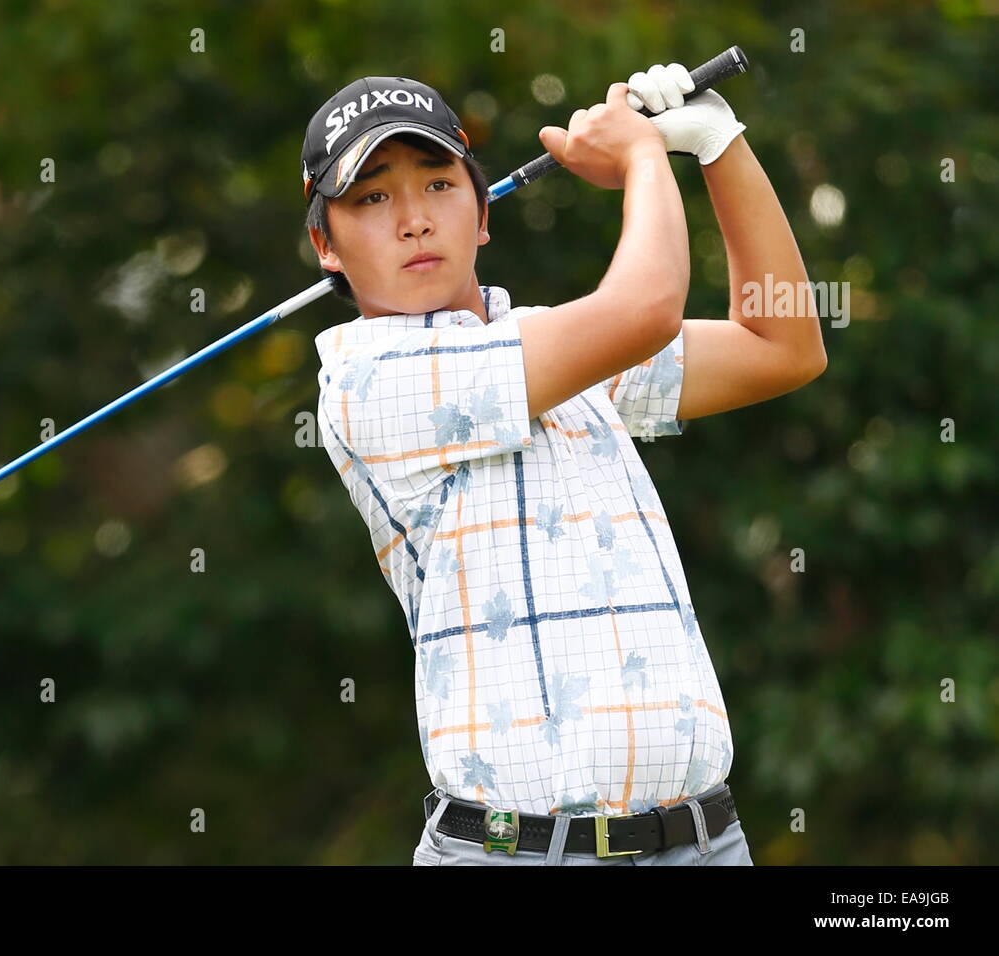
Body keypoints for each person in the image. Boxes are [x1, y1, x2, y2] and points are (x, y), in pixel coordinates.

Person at [301, 69, 826, 865]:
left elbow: (782, 346)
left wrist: (721, 148)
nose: (413, 220)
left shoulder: (562, 352)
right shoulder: (367, 381)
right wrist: (645, 160)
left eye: (439, 184)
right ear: (325, 246)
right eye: (371, 198)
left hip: (703, 842)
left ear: (482, 215)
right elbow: (643, 309)